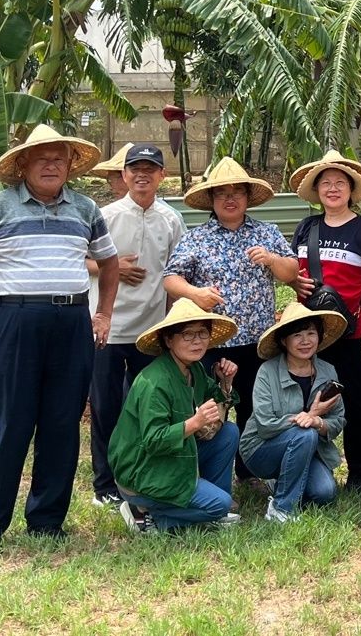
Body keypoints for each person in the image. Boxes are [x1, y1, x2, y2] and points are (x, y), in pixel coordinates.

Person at [0, 125, 120, 555]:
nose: (51, 164)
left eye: (59, 157)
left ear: (70, 165)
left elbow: (110, 265)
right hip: (16, 321)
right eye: (41, 157)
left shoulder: (85, 208)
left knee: (62, 425)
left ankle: (46, 522)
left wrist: (103, 314)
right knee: (9, 425)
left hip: (73, 323)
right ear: (22, 164)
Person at [163, 156, 298, 485]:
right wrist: (195, 293)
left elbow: (291, 272)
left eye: (237, 191)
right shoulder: (198, 238)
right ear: (211, 199)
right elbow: (170, 279)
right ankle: (209, 475)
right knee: (212, 411)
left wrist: (271, 258)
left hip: (259, 341)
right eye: (222, 192)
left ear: (247, 198)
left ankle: (249, 471)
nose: (230, 198)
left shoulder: (265, 232)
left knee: (255, 408)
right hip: (212, 342)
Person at [87, 143, 186, 509]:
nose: (142, 175)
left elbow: (177, 271)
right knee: (105, 406)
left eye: (150, 169)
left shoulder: (171, 219)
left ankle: (142, 475)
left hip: (152, 330)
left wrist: (173, 327)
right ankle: (105, 484)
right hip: (107, 327)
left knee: (148, 407)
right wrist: (110, 267)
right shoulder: (105, 215)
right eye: (135, 169)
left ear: (162, 176)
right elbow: (80, 259)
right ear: (124, 175)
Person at [287, 150, 361, 503]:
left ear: (350, 189)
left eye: (339, 183)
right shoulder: (306, 228)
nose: (332, 189)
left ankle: (360, 470)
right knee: (307, 396)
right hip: (308, 332)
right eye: (325, 183)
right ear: (317, 190)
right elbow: (296, 275)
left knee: (356, 400)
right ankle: (311, 466)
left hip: (350, 330)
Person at [107, 299, 242, 533]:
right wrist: (195, 422)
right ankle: (147, 515)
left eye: (202, 333)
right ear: (169, 340)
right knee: (219, 505)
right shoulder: (156, 382)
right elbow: (154, 440)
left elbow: (215, 397)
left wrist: (225, 382)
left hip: (174, 456)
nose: (197, 340)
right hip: (143, 470)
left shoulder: (194, 368)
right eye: (187, 335)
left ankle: (210, 509)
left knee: (228, 432)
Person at [239, 301, 349, 522]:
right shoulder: (267, 371)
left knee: (324, 493)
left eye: (311, 333)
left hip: (307, 449)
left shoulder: (328, 371)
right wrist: (309, 417)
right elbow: (265, 425)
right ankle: (282, 508)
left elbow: (338, 420)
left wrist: (317, 421)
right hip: (261, 449)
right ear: (283, 340)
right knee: (305, 434)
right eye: (297, 335)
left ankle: (284, 482)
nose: (305, 341)